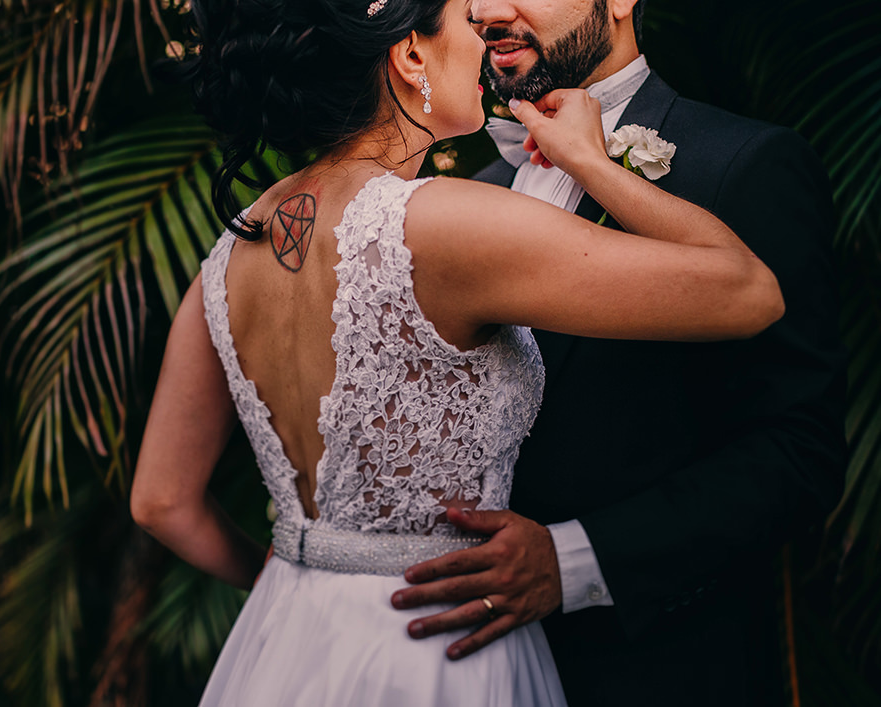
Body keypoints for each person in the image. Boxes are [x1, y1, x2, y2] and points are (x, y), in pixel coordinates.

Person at [130, 0, 784, 704]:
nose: (482, 31)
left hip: (289, 635)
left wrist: (298, 572)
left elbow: (161, 501)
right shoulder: (441, 222)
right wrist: (591, 163)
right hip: (429, 653)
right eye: (460, 18)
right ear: (411, 55)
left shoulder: (230, 255)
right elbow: (749, 291)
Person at [389, 1, 848, 705]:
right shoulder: (472, 198)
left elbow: (800, 451)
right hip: (473, 665)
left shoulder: (746, 164)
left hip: (667, 668)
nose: (486, 11)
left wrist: (574, 560)